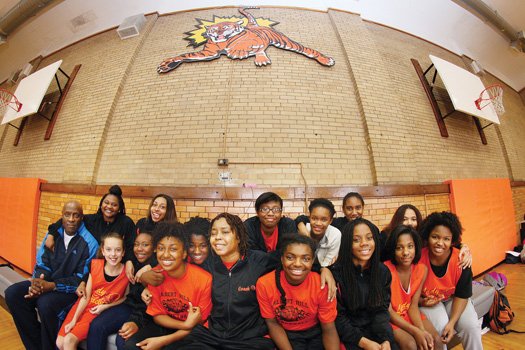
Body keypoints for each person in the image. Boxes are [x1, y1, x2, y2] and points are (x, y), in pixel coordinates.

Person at [5, 200, 99, 350]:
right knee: (13, 293)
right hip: (47, 283)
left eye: (76, 215)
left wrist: (53, 286)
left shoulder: (90, 243)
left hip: (69, 291)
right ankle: (36, 346)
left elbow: (81, 279)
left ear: (82, 218)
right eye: (67, 214)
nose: (71, 219)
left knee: (46, 304)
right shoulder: (52, 235)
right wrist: (38, 282)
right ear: (61, 216)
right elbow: (42, 263)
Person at [124, 222, 212, 350]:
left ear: (184, 254)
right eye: (161, 248)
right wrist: (185, 324)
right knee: (131, 346)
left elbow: (198, 324)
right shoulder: (156, 275)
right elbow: (157, 316)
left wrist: (163, 341)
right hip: (167, 325)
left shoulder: (204, 279)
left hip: (192, 333)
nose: (165, 254)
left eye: (173, 249)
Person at [256, 235, 339, 350]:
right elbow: (272, 323)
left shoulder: (322, 285)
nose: (298, 264)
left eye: (306, 259)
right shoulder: (265, 284)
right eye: (290, 257)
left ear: (312, 261)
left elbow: (328, 327)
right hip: (284, 333)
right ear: (282, 258)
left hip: (315, 333)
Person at [418, 212, 482, 350]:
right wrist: (422, 301)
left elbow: (462, 295)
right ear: (427, 236)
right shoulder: (418, 259)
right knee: (440, 328)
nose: (440, 243)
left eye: (446, 239)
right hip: (429, 302)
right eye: (435, 237)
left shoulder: (461, 259)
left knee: (471, 326)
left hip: (454, 298)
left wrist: (452, 323)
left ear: (453, 240)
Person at [56, 232, 129, 350]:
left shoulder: (127, 272)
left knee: (69, 340)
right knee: (60, 342)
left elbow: (125, 298)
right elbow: (86, 297)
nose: (113, 254)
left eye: (118, 250)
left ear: (123, 252)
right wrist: (74, 320)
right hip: (83, 306)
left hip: (96, 312)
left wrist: (106, 306)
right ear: (103, 251)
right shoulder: (95, 265)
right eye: (109, 249)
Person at [334, 218, 397, 350]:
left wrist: (385, 339)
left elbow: (381, 311)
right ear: (347, 244)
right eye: (356, 240)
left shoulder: (382, 271)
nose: (364, 244)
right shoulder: (336, 274)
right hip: (350, 335)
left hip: (376, 330)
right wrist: (363, 342)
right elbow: (339, 318)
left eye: (369, 238)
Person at [86, 231, 156, 350]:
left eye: (145, 245)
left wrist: (137, 323)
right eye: (136, 244)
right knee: (97, 326)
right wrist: (83, 283)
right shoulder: (131, 263)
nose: (139, 249)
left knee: (122, 339)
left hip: (146, 313)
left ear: (154, 248)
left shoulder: (157, 268)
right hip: (128, 306)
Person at [383, 225, 442, 350]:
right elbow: (389, 312)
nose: (405, 252)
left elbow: (413, 306)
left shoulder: (421, 270)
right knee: (411, 345)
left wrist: (421, 331)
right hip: (391, 319)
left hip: (410, 313)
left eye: (410, 246)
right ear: (393, 250)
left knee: (435, 340)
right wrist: (416, 332)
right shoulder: (385, 271)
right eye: (399, 248)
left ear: (416, 247)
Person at [382, 205, 472, 268]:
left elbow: (447, 243)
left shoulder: (421, 236)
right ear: (397, 220)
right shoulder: (386, 236)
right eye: (404, 219)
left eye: (413, 219)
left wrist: (464, 248)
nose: (409, 223)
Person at [128, 194, 178, 281]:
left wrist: (150, 266)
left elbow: (170, 256)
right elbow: (132, 244)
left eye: (162, 207)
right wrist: (129, 261)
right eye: (154, 205)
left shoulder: (172, 229)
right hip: (136, 267)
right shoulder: (142, 223)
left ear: (168, 211)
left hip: (159, 270)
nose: (156, 209)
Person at [244, 192, 296, 259]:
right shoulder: (249, 226)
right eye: (265, 209)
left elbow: (291, 251)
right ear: (257, 212)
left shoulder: (288, 224)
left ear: (281, 212)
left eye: (276, 209)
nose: (270, 213)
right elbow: (251, 254)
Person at [296, 198, 341, 267]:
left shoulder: (335, 235)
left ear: (330, 221)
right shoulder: (302, 229)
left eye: (324, 220)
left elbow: (328, 264)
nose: (318, 223)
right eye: (314, 218)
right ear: (309, 217)